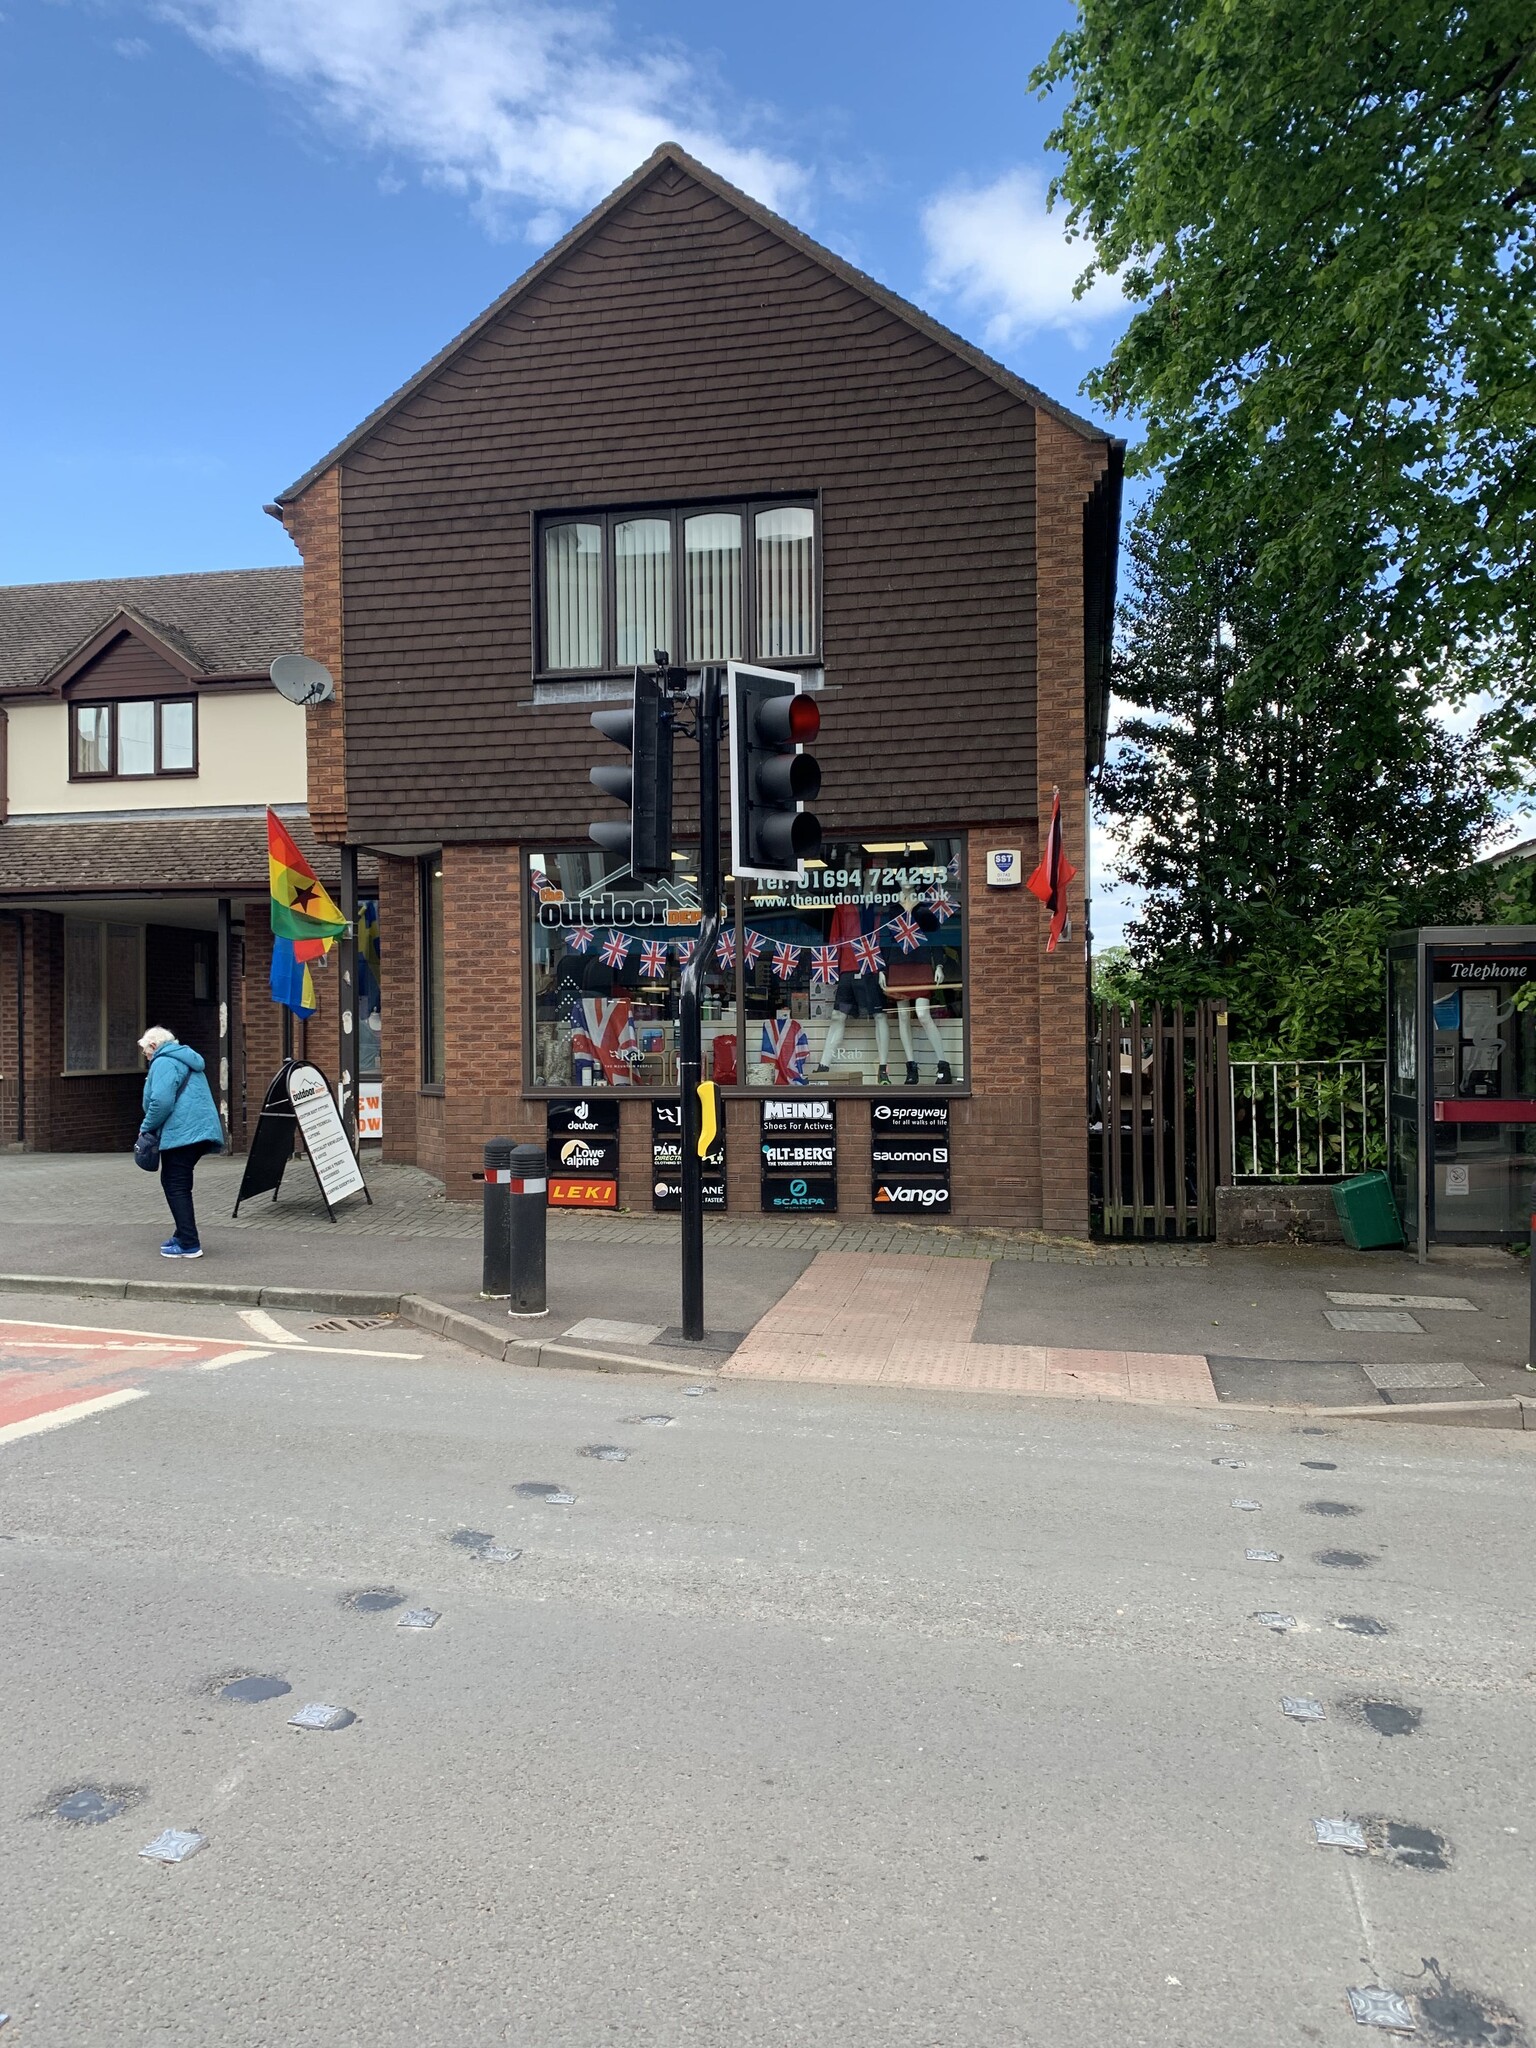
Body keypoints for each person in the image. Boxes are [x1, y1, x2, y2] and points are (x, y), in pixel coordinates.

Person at [137, 1027, 225, 1259]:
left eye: (146, 1052)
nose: (146, 1058)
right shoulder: (187, 1058)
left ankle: (189, 1242)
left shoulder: (163, 1062)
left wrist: (146, 1127)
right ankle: (182, 1233)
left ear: (154, 1046)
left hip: (181, 1133)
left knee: (175, 1184)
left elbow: (161, 1102)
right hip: (199, 1130)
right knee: (178, 1182)